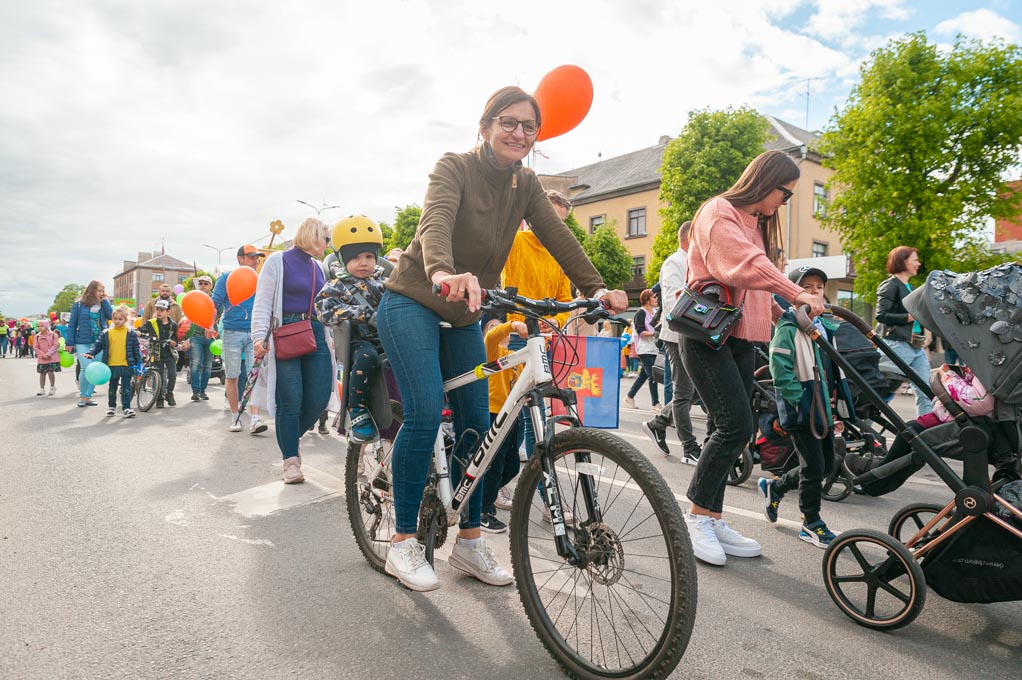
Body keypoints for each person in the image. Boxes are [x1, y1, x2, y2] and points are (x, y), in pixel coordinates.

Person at [374, 85, 629, 592]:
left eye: (528, 126)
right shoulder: (454, 166)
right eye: (508, 122)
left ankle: (468, 542)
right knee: (425, 412)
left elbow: (558, 237)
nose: (518, 133)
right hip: (414, 300)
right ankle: (402, 541)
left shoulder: (526, 183)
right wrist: (442, 271)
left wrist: (596, 289)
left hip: (465, 313)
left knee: (478, 424)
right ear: (486, 126)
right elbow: (435, 221)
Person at [680, 149, 826, 567]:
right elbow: (744, 266)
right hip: (707, 335)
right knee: (735, 426)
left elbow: (755, 290)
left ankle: (712, 516)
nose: (786, 202)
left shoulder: (755, 224)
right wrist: (797, 293)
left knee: (728, 430)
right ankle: (696, 517)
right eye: (785, 193)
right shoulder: (718, 212)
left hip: (741, 338)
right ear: (765, 181)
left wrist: (786, 316)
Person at [757, 267, 840, 548]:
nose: (815, 291)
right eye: (807, 287)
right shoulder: (789, 328)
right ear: (794, 294)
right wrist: (799, 401)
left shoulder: (823, 328)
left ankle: (775, 487)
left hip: (822, 408)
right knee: (814, 467)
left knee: (826, 464)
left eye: (819, 287)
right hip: (803, 410)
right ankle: (811, 522)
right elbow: (780, 371)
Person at [251, 217, 336, 484]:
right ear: (313, 236)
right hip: (285, 331)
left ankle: (289, 438)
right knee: (290, 399)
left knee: (319, 398)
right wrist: (258, 337)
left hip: (316, 332)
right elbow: (263, 301)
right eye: (326, 238)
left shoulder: (319, 267)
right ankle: (290, 460)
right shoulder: (278, 261)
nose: (328, 243)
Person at [845, 364, 1008, 495]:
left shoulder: (991, 363)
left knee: (912, 433)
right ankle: (878, 469)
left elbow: (979, 401)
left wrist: (948, 375)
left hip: (969, 423)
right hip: (979, 421)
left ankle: (875, 478)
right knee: (911, 433)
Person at [315, 215, 387, 443]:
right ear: (343, 259)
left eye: (369, 257)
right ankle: (357, 410)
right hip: (356, 342)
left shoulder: (385, 283)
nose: (363, 262)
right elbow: (325, 311)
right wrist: (364, 314)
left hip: (386, 338)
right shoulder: (336, 286)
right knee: (367, 356)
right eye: (355, 257)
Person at [642, 221, 702, 460]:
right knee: (685, 391)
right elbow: (671, 300)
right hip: (677, 336)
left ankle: (658, 423)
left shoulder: (696, 263)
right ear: (689, 238)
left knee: (697, 390)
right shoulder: (674, 263)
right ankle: (689, 448)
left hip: (696, 335)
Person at [478, 314, 526, 533]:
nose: (500, 330)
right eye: (493, 326)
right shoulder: (490, 351)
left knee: (512, 466)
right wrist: (511, 324)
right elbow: (491, 336)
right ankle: (483, 510)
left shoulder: (514, 356)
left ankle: (482, 497)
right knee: (494, 465)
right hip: (493, 413)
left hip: (512, 413)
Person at [212, 245, 268, 434]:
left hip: (255, 335)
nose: (255, 261)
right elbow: (215, 303)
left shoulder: (261, 280)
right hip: (231, 332)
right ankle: (235, 417)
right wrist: (209, 324)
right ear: (240, 259)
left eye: (257, 258)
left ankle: (255, 418)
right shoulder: (226, 278)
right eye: (251, 257)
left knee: (255, 375)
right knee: (232, 375)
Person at [876, 246, 933, 417]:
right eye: (915, 260)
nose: (918, 263)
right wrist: (909, 317)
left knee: (926, 392)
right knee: (881, 392)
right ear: (903, 261)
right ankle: (864, 427)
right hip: (896, 345)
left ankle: (926, 430)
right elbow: (881, 315)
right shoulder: (890, 285)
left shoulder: (910, 287)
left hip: (915, 346)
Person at [85, 305, 140, 418]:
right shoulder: (107, 333)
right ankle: (111, 407)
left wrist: (138, 363)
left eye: (120, 319)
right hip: (111, 365)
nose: (117, 321)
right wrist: (91, 353)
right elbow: (98, 344)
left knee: (126, 388)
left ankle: (127, 408)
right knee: (112, 388)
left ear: (126, 320)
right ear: (112, 319)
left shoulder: (131, 333)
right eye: (115, 319)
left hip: (126, 365)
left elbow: (136, 349)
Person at [67, 280, 114, 408]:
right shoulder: (78, 305)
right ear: (92, 290)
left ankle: (88, 397)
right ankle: (82, 396)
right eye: (99, 291)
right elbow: (72, 324)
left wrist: (105, 301)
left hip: (99, 342)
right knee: (86, 368)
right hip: (82, 341)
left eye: (103, 291)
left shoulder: (103, 304)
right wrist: (69, 342)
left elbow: (111, 316)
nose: (102, 293)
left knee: (95, 368)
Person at [623, 289, 660, 411]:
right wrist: (654, 333)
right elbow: (640, 331)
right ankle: (655, 404)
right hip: (644, 349)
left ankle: (629, 396)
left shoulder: (656, 312)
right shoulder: (640, 313)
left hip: (654, 348)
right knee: (653, 376)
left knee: (643, 375)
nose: (656, 299)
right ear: (647, 300)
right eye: (654, 297)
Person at [138, 299, 179, 408]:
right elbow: (143, 329)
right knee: (159, 376)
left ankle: (169, 393)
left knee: (172, 375)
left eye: (162, 310)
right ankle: (159, 398)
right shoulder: (151, 323)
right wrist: (139, 332)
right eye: (157, 309)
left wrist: (174, 342)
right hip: (156, 354)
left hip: (169, 353)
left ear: (168, 311)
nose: (159, 312)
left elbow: (176, 338)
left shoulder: (173, 325)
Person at [187, 275, 216, 401]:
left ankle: (203, 391)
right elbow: (188, 317)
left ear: (211, 286)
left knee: (208, 365)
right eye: (201, 283)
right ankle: (195, 391)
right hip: (195, 336)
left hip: (210, 336)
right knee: (195, 363)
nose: (203, 285)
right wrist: (186, 338)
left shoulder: (215, 299)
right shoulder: (194, 298)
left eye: (206, 283)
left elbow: (218, 315)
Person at [34, 320, 61, 395]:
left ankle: (52, 387)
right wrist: (42, 355)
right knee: (42, 373)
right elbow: (35, 347)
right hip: (42, 358)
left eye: (42, 326)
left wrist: (48, 354)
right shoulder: (37, 336)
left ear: (46, 327)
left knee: (50, 372)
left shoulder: (54, 335)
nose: (40, 328)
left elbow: (55, 345)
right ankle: (42, 389)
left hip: (52, 357)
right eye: (38, 326)